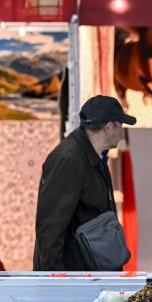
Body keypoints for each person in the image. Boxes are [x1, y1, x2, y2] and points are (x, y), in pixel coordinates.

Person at [34, 96, 135, 271]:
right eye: (121, 125)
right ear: (109, 127)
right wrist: (56, 279)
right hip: (73, 277)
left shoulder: (92, 155)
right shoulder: (69, 160)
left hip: (88, 274)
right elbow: (50, 228)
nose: (122, 132)